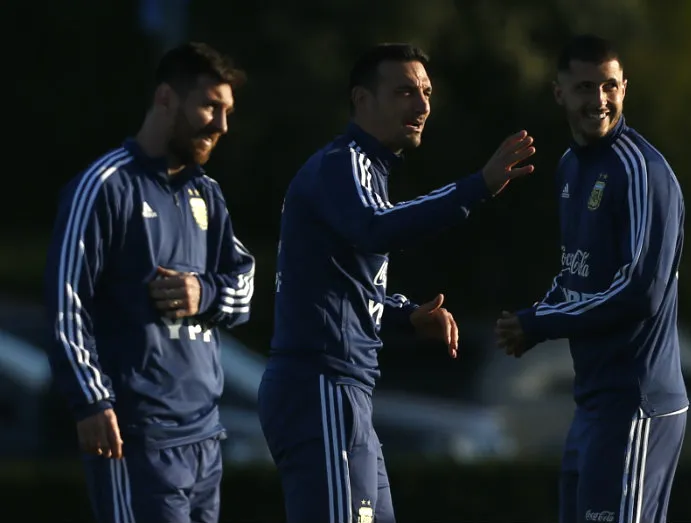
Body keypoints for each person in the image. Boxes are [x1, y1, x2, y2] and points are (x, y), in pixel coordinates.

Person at [258, 42, 535, 523]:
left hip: (348, 390)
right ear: (362, 100)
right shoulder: (341, 163)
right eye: (406, 91)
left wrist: (405, 315)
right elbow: (378, 227)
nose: (423, 105)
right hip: (320, 385)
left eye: (426, 92)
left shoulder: (366, 172)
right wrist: (477, 186)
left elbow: (344, 285)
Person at [43, 42, 255, 523]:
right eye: (210, 107)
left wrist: (206, 293)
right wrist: (91, 401)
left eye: (228, 112)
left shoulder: (207, 193)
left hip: (204, 438)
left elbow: (245, 281)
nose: (221, 125)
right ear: (165, 98)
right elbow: (64, 304)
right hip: (137, 440)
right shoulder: (102, 186)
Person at [494, 34, 689, 523]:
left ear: (624, 88)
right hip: (594, 402)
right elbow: (576, 275)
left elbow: (640, 290)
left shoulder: (642, 171)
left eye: (608, 86)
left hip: (637, 400)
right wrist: (533, 320)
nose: (598, 101)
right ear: (559, 92)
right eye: (584, 88)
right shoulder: (568, 168)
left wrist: (540, 323)